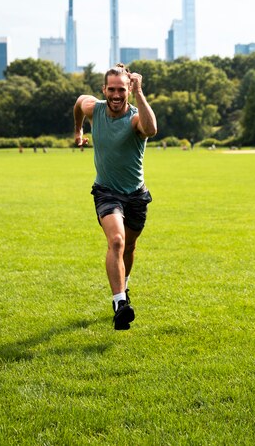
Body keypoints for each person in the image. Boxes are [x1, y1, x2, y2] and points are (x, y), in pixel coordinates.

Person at [74, 64, 157, 330]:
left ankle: (124, 285)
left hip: (136, 194)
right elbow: (78, 102)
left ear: (129, 90)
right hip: (106, 191)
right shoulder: (94, 109)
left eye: (122, 89)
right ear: (104, 90)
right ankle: (120, 302)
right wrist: (79, 131)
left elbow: (151, 129)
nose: (116, 94)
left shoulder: (135, 117)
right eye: (111, 89)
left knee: (129, 247)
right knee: (117, 242)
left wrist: (140, 92)